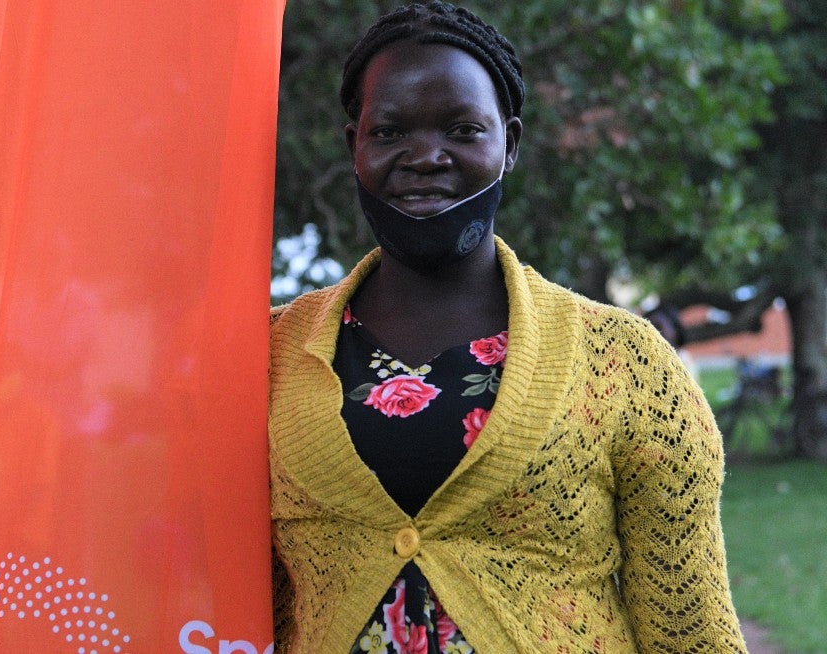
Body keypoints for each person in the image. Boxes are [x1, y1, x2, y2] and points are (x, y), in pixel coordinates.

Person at [269, 3, 747, 652]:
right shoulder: (265, 357)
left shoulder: (626, 363)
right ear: (352, 144)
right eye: (389, 132)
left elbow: (691, 632)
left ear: (510, 144)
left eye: (463, 130)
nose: (425, 156)